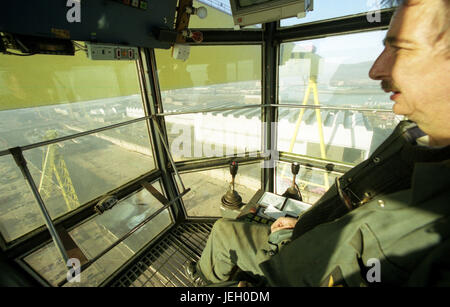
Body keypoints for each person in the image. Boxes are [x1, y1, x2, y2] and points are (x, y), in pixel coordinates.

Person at [186, 0, 450, 287]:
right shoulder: (415, 139)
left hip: (288, 265)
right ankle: (204, 278)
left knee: (225, 231)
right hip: (301, 239)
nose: (375, 70)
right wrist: (303, 225)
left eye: (401, 48)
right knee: (225, 229)